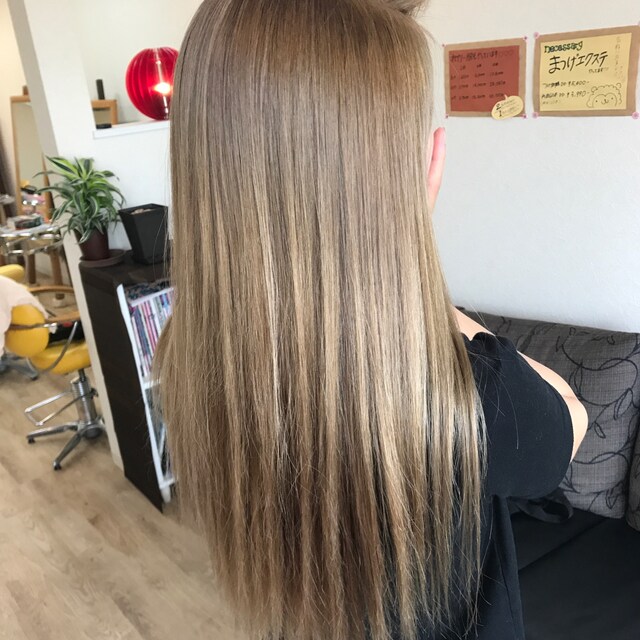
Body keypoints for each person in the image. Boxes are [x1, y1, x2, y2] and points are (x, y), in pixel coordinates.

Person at [155, 0, 589, 638]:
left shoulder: (187, 349)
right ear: (410, 174)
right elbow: (571, 418)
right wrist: (408, 253)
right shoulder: (461, 395)